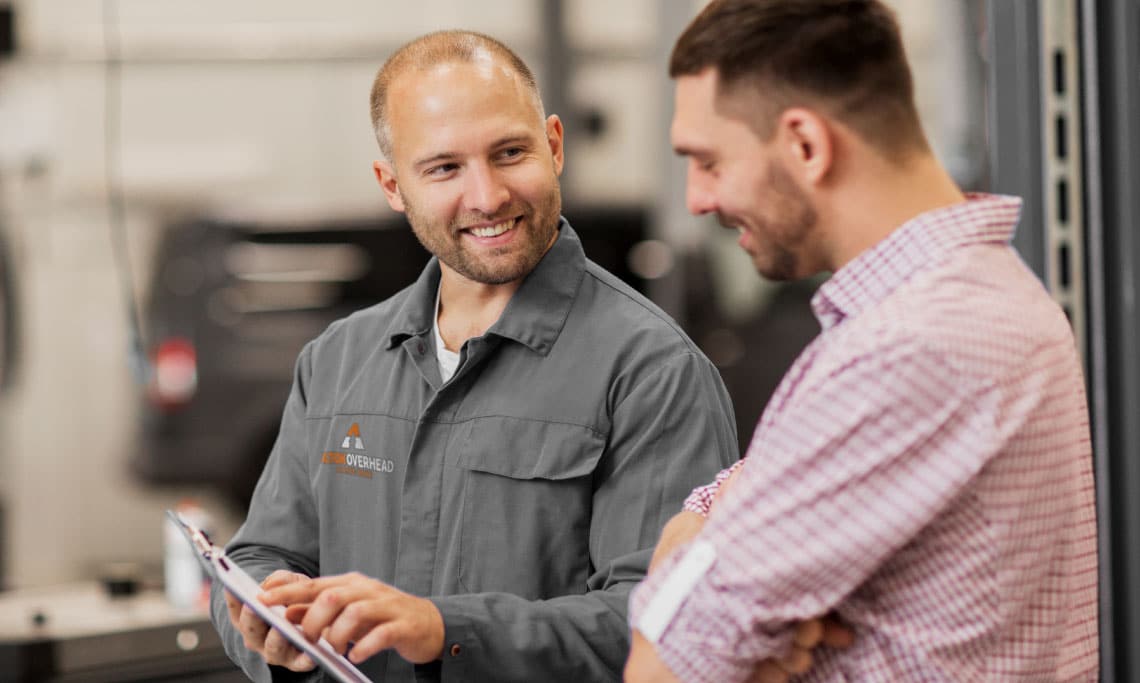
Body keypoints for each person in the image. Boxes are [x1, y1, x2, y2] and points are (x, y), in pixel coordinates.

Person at [208, 30, 741, 683]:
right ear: (392, 184)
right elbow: (261, 551)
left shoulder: (652, 371)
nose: (487, 196)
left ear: (554, 145)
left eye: (510, 152)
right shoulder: (337, 361)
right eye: (443, 168)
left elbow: (667, 626)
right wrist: (263, 614)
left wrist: (444, 631)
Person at [625, 1, 1100, 681]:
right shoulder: (972, 295)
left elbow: (663, 665)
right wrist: (692, 542)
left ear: (806, 145)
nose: (698, 198)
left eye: (708, 161)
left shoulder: (913, 347)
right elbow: (717, 514)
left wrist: (685, 578)